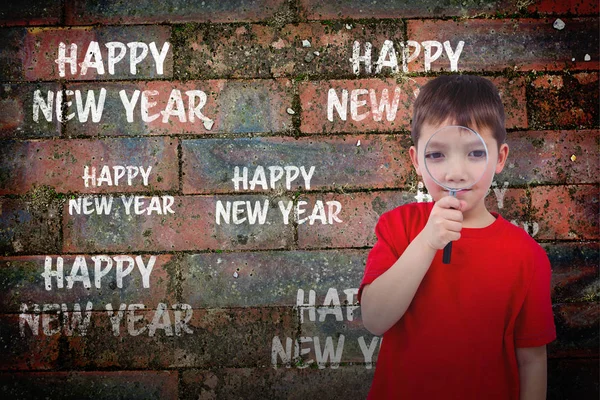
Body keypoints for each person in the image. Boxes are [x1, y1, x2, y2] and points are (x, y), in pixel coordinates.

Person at [359, 75, 556, 399]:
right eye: (437, 155)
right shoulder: (398, 227)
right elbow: (375, 319)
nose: (455, 172)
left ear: (501, 159)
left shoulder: (526, 256)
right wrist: (426, 242)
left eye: (475, 154)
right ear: (416, 162)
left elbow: (532, 360)